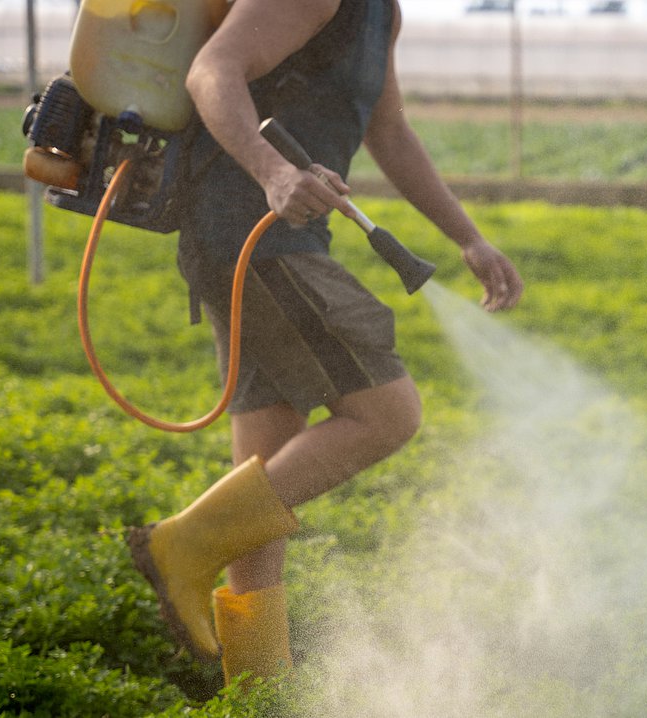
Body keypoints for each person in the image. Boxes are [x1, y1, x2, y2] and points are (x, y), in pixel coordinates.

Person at [125, 0, 524, 686]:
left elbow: (389, 130)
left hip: (269, 234)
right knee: (388, 412)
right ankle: (183, 545)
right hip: (253, 230)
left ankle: (255, 682)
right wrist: (274, 171)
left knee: (270, 457)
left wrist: (467, 236)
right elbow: (210, 70)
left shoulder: (381, 12)